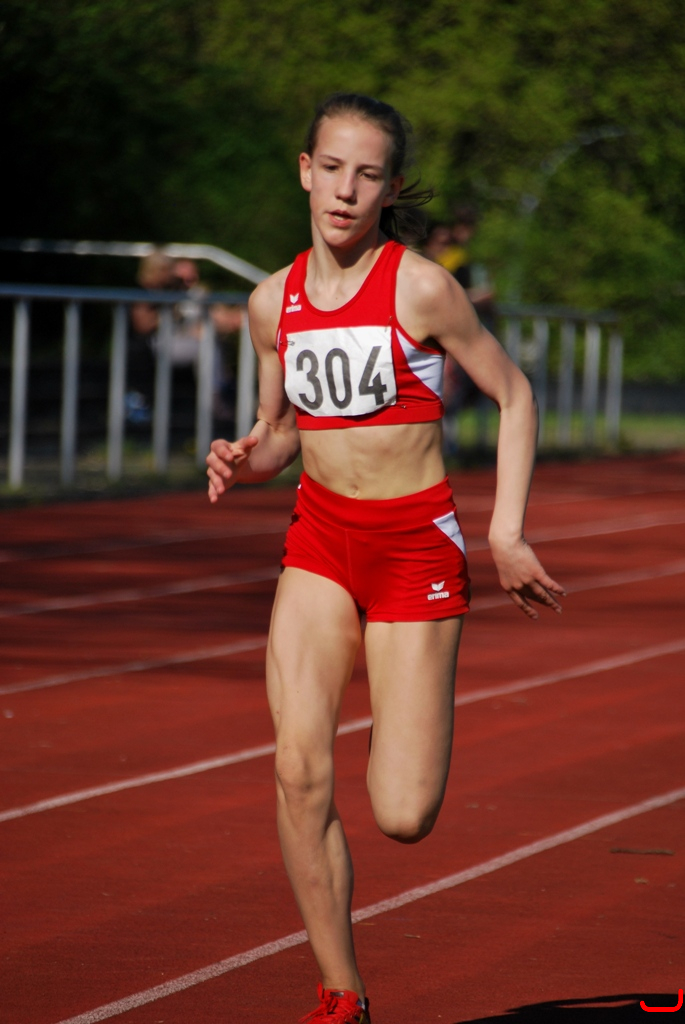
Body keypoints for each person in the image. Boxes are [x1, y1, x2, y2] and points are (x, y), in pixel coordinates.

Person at [206, 93, 564, 1024]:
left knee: (403, 816)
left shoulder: (421, 289)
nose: (345, 190)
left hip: (413, 547)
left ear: (389, 189)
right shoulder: (270, 303)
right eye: (331, 168)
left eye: (366, 175)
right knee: (297, 769)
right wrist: (245, 458)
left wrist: (505, 532)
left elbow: (515, 395)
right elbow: (282, 433)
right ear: (304, 171)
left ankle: (400, 700)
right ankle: (341, 995)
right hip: (319, 542)